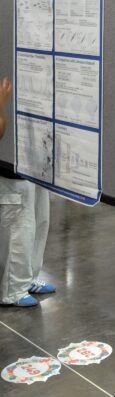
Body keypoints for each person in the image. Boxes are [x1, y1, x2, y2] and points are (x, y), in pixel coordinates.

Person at [0, 76, 55, 308]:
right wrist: (2, 102)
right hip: (9, 168)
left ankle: (29, 277)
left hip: (33, 160)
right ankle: (12, 289)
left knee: (38, 221)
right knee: (19, 229)